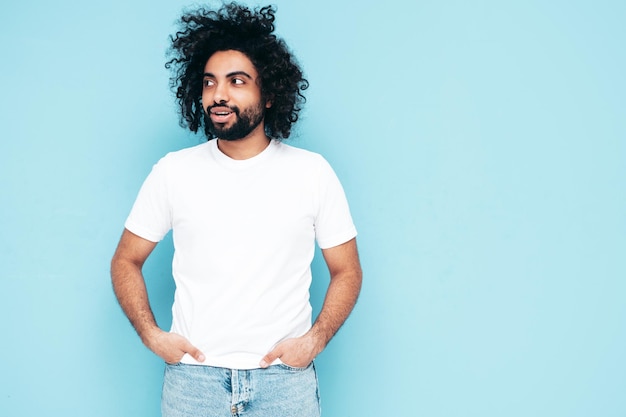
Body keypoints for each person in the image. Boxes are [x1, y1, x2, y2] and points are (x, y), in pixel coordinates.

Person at [110, 3, 362, 416]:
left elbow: (348, 270)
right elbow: (126, 260)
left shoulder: (311, 172)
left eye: (236, 81)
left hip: (284, 381)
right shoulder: (174, 172)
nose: (218, 94)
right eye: (209, 83)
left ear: (269, 95)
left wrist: (312, 342)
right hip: (194, 382)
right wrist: (152, 334)